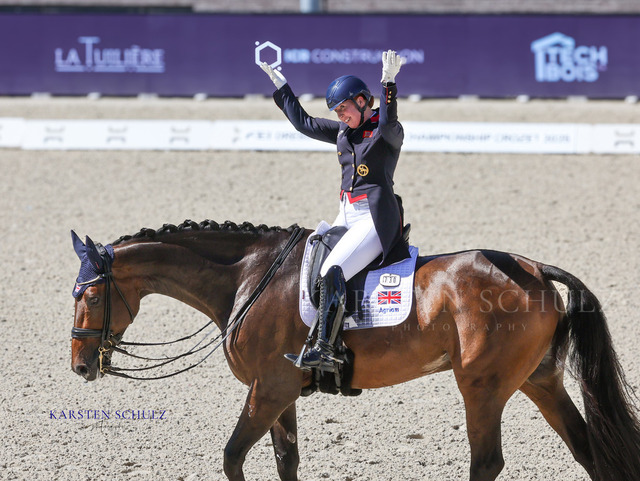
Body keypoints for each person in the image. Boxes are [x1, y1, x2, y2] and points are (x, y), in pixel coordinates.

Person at [260, 50, 410, 372]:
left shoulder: (386, 133)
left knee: (333, 270)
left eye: (344, 108)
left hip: (373, 218)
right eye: (337, 111)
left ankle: (326, 350)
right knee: (312, 265)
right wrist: (282, 86)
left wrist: (388, 84)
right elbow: (305, 124)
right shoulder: (343, 132)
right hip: (346, 213)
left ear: (362, 101)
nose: (340, 115)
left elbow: (388, 121)